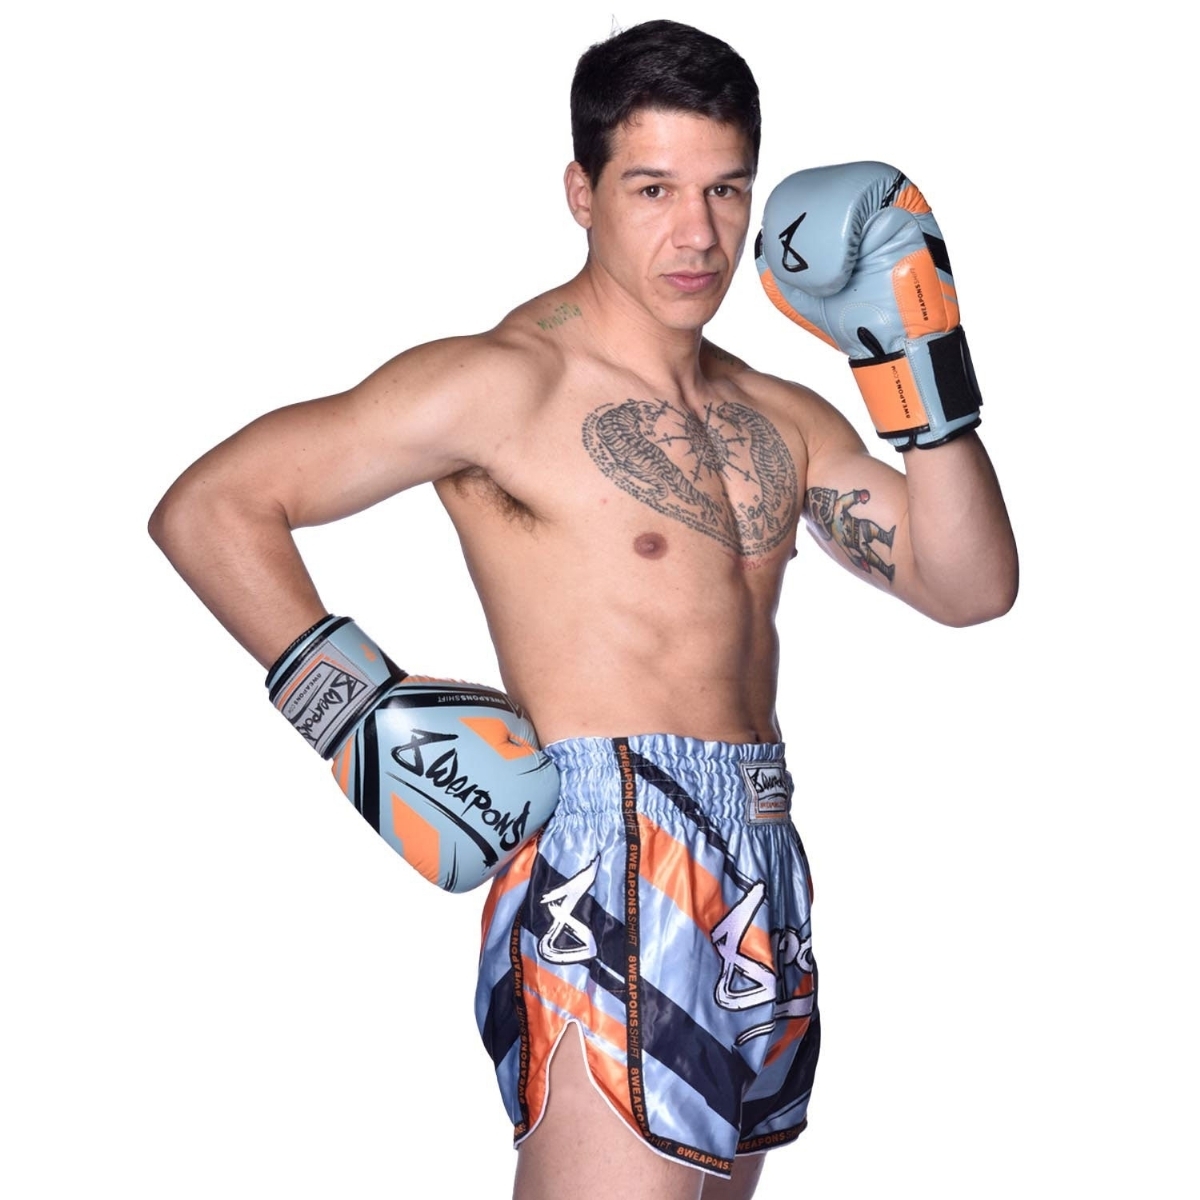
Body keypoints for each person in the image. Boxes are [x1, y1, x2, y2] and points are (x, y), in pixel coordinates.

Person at [148, 18, 1017, 1200]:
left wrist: (918, 359)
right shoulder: (506, 382)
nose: (696, 233)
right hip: (605, 849)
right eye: (653, 189)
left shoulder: (783, 417)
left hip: (760, 847)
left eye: (725, 190)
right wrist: (357, 711)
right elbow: (213, 506)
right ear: (582, 193)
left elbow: (969, 587)